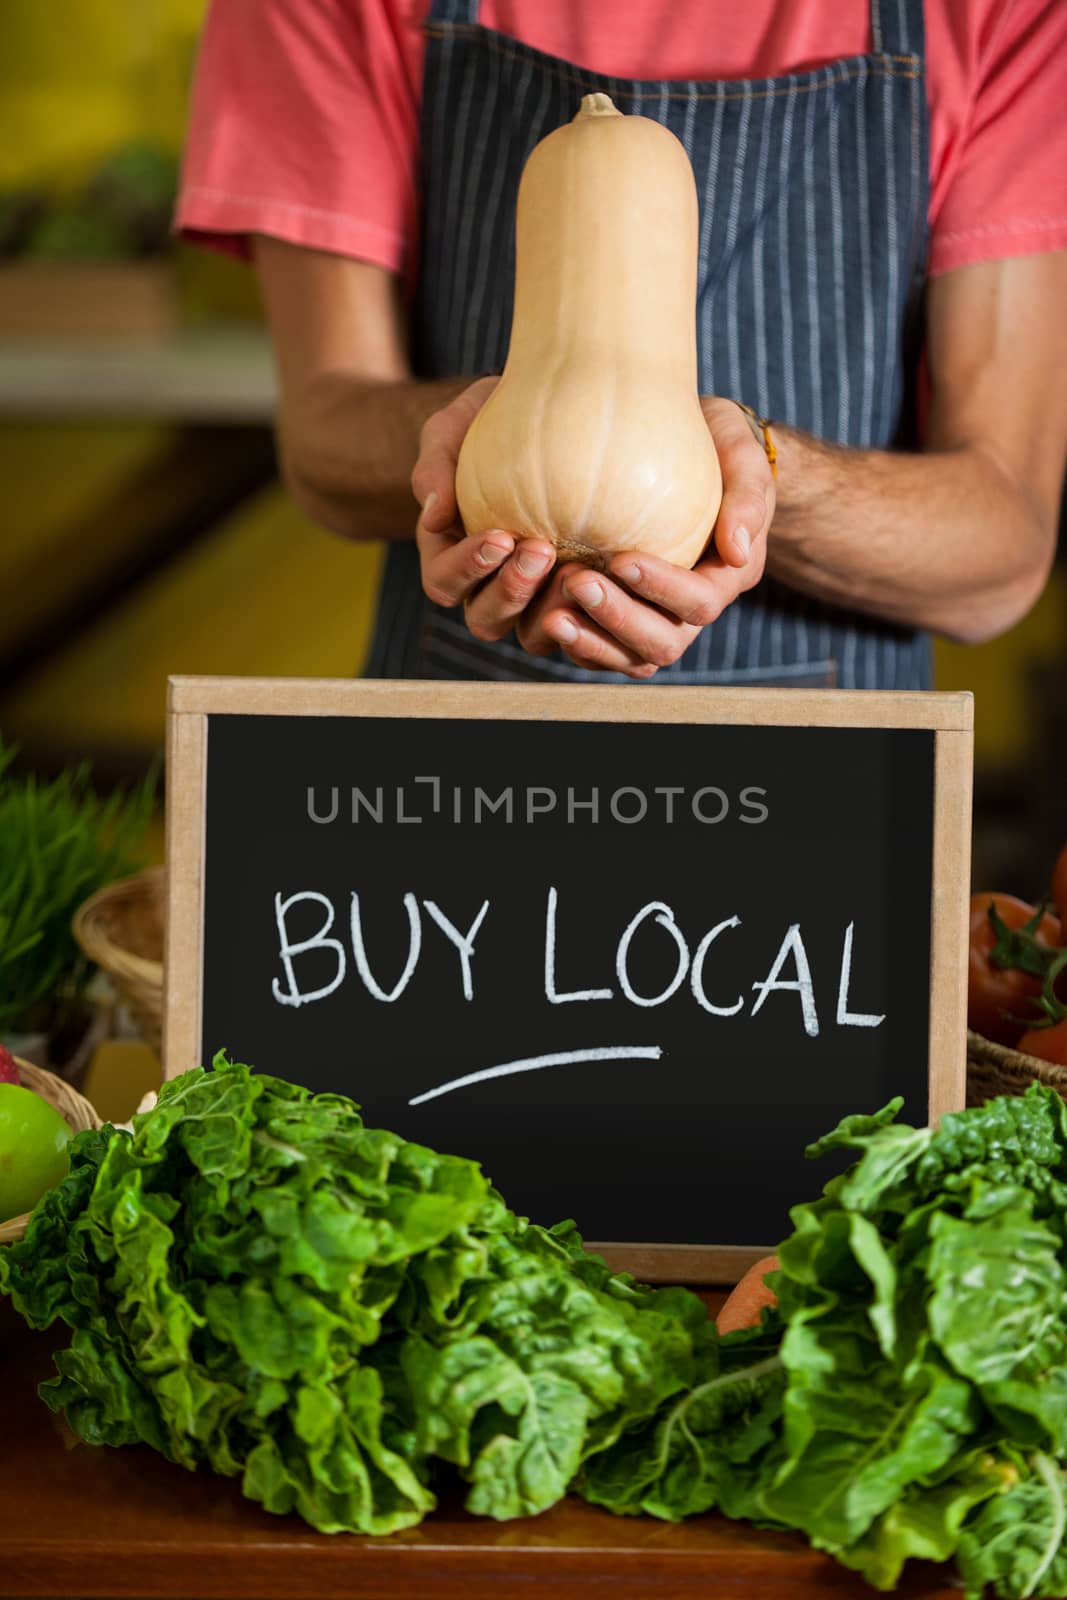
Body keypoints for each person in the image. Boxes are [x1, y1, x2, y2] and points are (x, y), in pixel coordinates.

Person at [178, 0, 1067, 689]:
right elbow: (324, 433)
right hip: (463, 774)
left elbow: (1002, 553)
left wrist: (754, 477)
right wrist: (478, 441)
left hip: (822, 806)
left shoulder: (1006, 14)